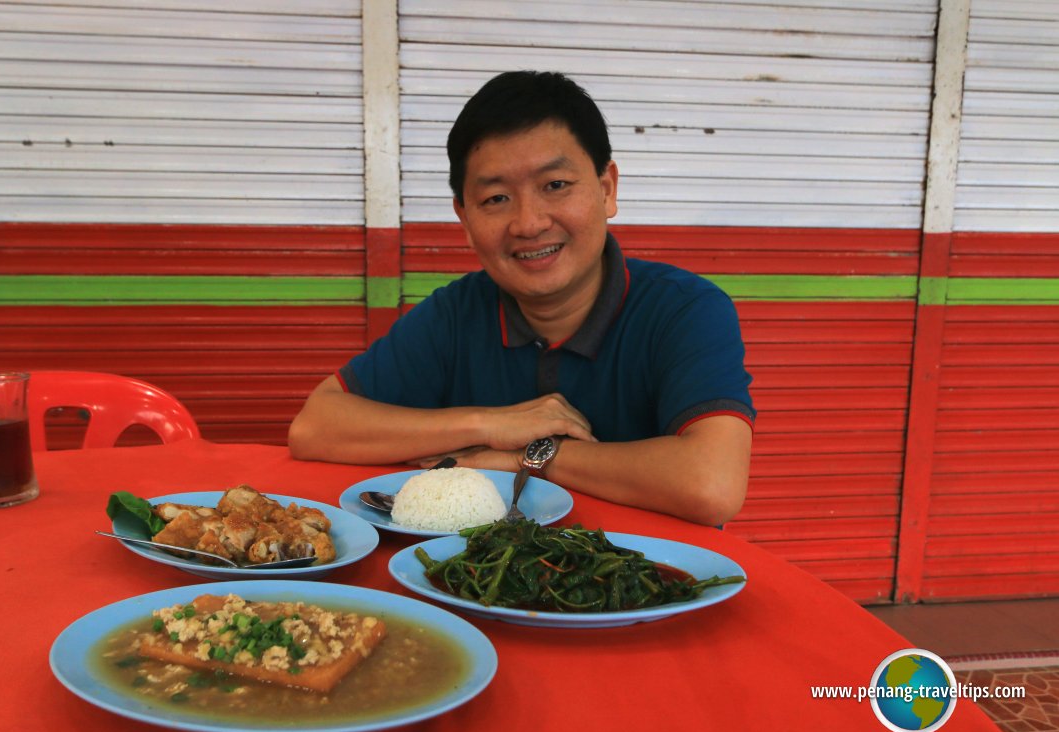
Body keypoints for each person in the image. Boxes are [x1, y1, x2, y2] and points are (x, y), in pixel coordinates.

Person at [289, 70, 755, 526]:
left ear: (607, 188)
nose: (528, 223)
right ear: (465, 217)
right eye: (495, 198)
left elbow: (710, 484)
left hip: (645, 585)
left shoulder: (683, 309)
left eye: (555, 186)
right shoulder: (456, 312)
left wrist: (520, 457)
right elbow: (315, 428)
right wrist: (488, 424)